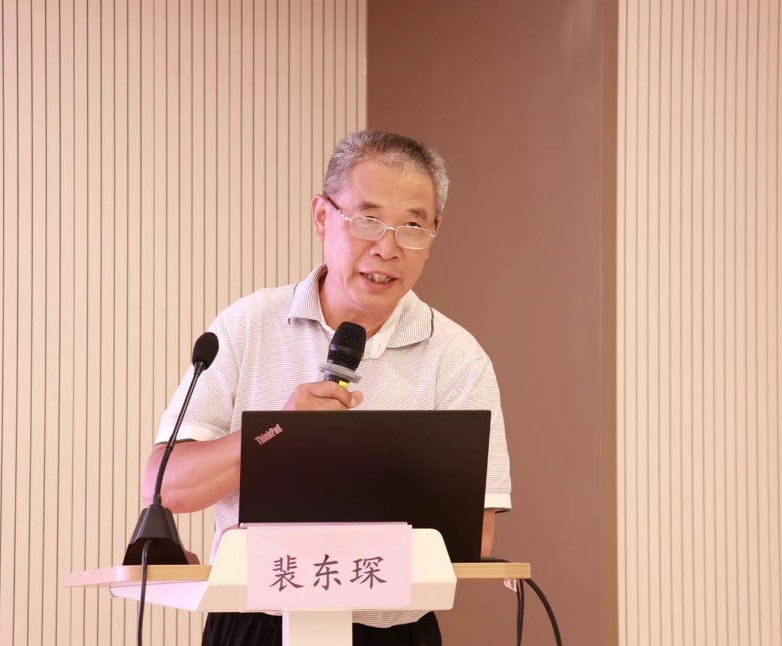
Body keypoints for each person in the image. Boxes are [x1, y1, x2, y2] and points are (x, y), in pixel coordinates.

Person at [141, 129, 512, 646]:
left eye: (412, 226)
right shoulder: (248, 326)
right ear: (322, 216)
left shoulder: (456, 356)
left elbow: (474, 535)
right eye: (367, 220)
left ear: (434, 234)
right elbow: (164, 488)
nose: (387, 248)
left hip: (392, 633)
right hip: (255, 626)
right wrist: (276, 434)